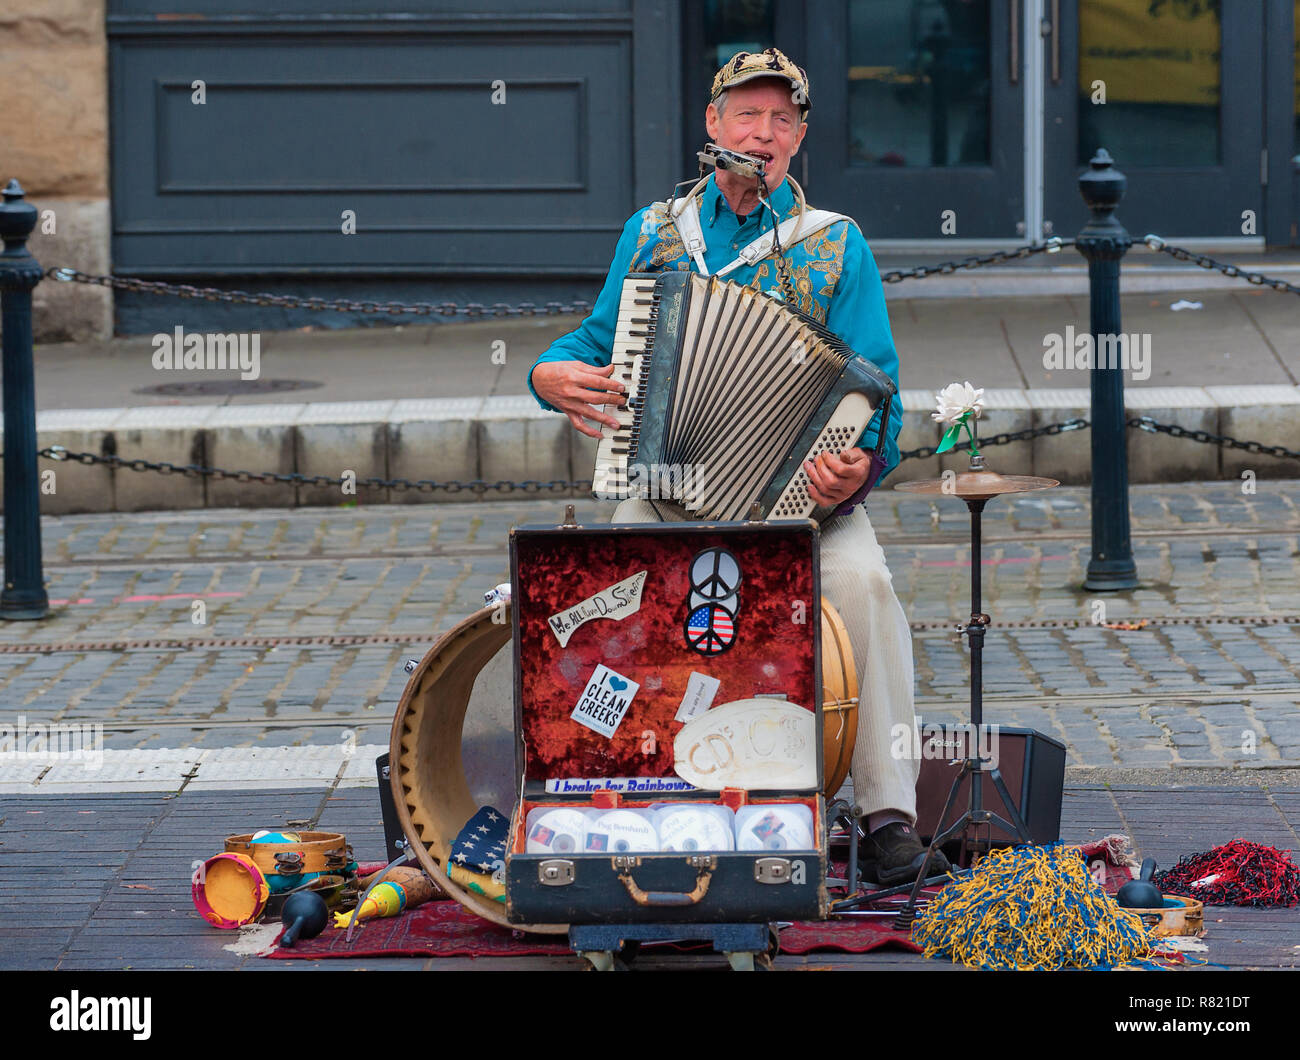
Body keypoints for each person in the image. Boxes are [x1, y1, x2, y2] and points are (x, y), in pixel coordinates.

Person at [527, 48, 947, 885]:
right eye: (746, 116)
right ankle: (629, 789)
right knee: (608, 581)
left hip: (804, 506)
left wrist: (854, 469)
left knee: (865, 587)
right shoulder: (654, 234)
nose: (762, 134)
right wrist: (546, 375)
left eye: (781, 120)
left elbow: (882, 398)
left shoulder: (834, 246)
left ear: (799, 138)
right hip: (673, 492)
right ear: (713, 127)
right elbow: (591, 343)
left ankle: (886, 812)